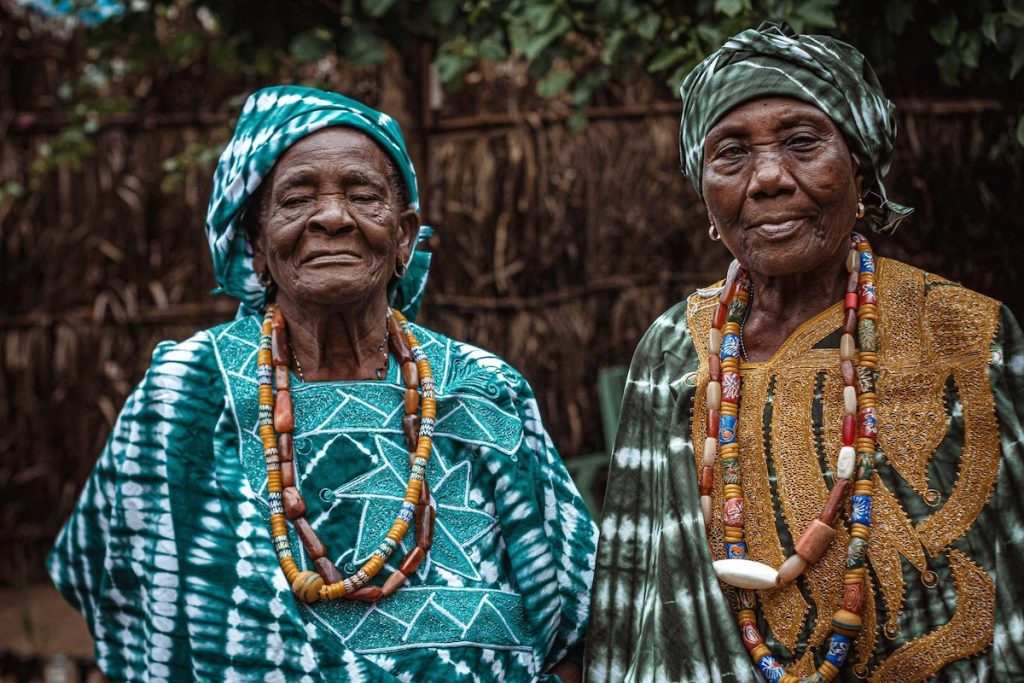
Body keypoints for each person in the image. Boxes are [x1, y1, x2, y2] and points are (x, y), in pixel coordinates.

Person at [48, 85, 597, 682]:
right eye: (296, 199)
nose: (333, 217)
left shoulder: (482, 388)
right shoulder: (186, 392)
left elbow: (581, 622)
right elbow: (126, 607)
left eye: (363, 195)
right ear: (256, 244)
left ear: (405, 238)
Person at [586, 22, 1024, 683]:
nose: (767, 178)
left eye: (801, 143)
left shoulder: (969, 333)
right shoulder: (675, 346)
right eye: (730, 153)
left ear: (861, 170)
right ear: (705, 195)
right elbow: (638, 591)